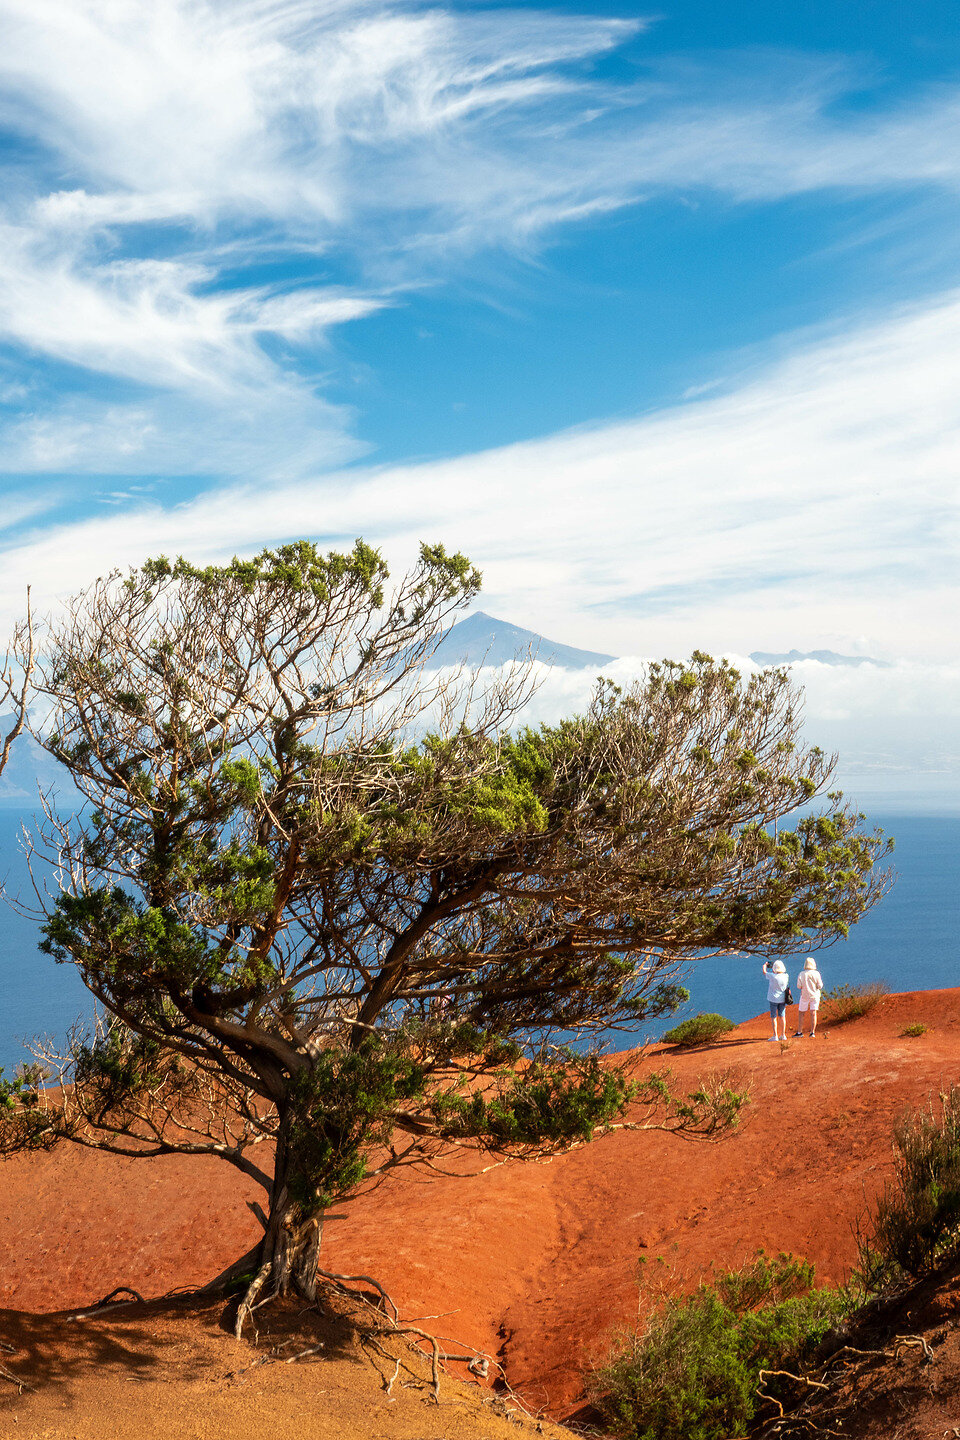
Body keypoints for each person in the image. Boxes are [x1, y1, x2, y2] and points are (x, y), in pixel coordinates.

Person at [794, 957, 824, 1038]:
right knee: (813, 1013)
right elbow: (820, 986)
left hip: (804, 995)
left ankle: (799, 1032)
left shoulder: (801, 974)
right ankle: (812, 1032)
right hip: (815, 995)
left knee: (801, 1013)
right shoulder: (816, 973)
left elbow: (799, 986)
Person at [763, 960, 790, 1041]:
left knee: (773, 1017)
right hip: (782, 999)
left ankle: (775, 1035)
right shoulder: (786, 976)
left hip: (773, 999)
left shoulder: (772, 976)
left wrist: (765, 964)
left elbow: (764, 972)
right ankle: (783, 1035)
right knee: (782, 1016)